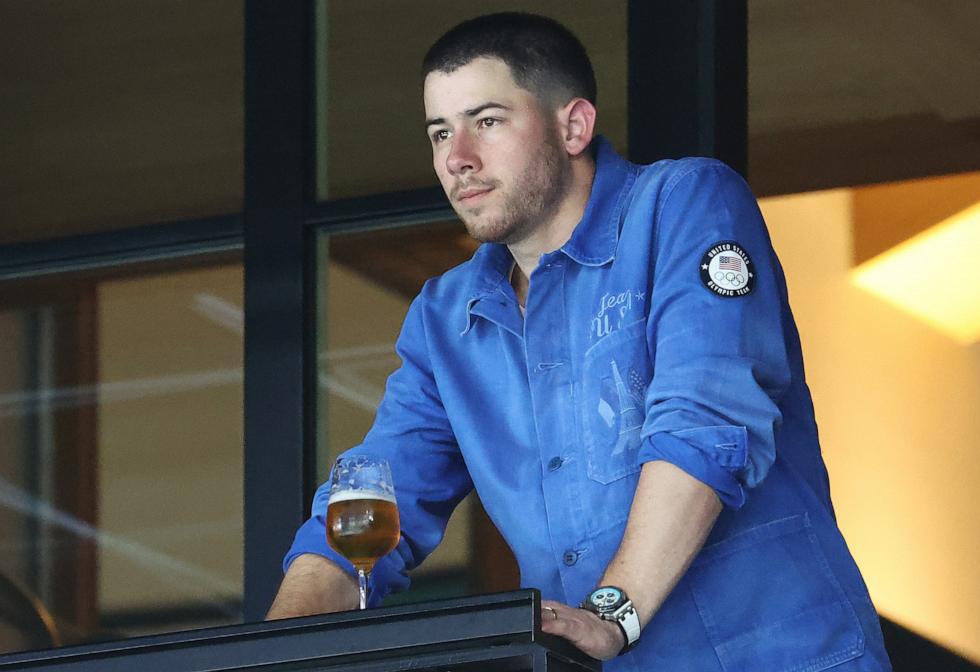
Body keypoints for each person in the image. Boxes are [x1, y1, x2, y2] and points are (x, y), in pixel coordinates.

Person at [267, 12, 892, 671]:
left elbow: (706, 418)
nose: (457, 158)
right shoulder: (445, 320)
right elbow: (374, 504)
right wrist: (270, 651)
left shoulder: (683, 204)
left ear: (574, 126)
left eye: (487, 120)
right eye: (439, 132)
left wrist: (613, 613)